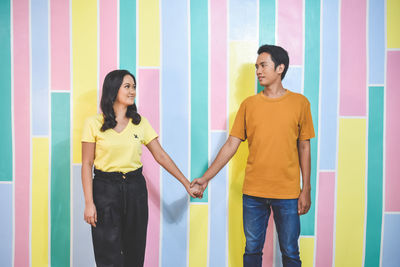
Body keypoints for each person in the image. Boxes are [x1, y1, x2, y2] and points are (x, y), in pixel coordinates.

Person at [191, 44, 315, 267]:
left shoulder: (300, 103)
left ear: (280, 68)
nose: (258, 70)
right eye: (256, 66)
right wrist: (206, 177)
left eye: (263, 65)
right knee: (251, 250)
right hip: (253, 193)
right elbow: (231, 145)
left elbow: (304, 147)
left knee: (290, 252)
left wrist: (305, 188)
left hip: (287, 193)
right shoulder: (249, 105)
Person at [81, 69, 201, 267]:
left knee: (135, 252)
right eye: (127, 86)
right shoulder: (93, 123)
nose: (132, 91)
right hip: (105, 189)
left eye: (134, 87)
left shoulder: (140, 123)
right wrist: (89, 202)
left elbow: (160, 156)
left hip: (135, 189)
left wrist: (186, 184)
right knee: (107, 252)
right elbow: (86, 164)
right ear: (113, 89)